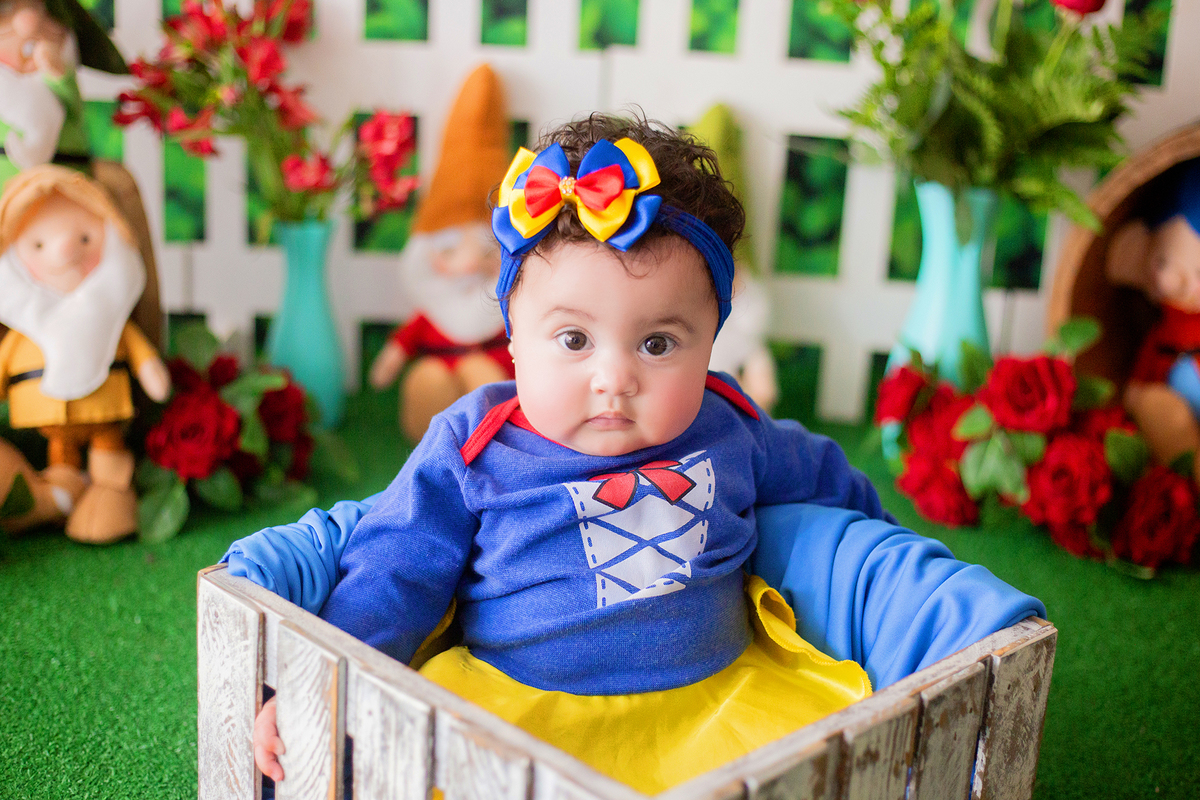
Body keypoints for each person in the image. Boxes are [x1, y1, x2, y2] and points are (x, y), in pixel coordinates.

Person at [228, 114, 1043, 794]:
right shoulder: (476, 445)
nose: (613, 378)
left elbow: (832, 484)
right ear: (512, 337)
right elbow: (393, 568)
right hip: (521, 712)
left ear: (711, 343)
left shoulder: (727, 423)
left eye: (658, 343)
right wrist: (320, 686)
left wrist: (889, 567)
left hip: (719, 703)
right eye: (573, 339)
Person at [0, 165, 170, 542]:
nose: (64, 252)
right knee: (60, 458)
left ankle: (110, 489)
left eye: (85, 237)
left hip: (106, 420)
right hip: (53, 429)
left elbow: (140, 352)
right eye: (38, 246)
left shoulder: (111, 316)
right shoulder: (24, 324)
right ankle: (61, 492)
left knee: (109, 449)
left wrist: (152, 371)